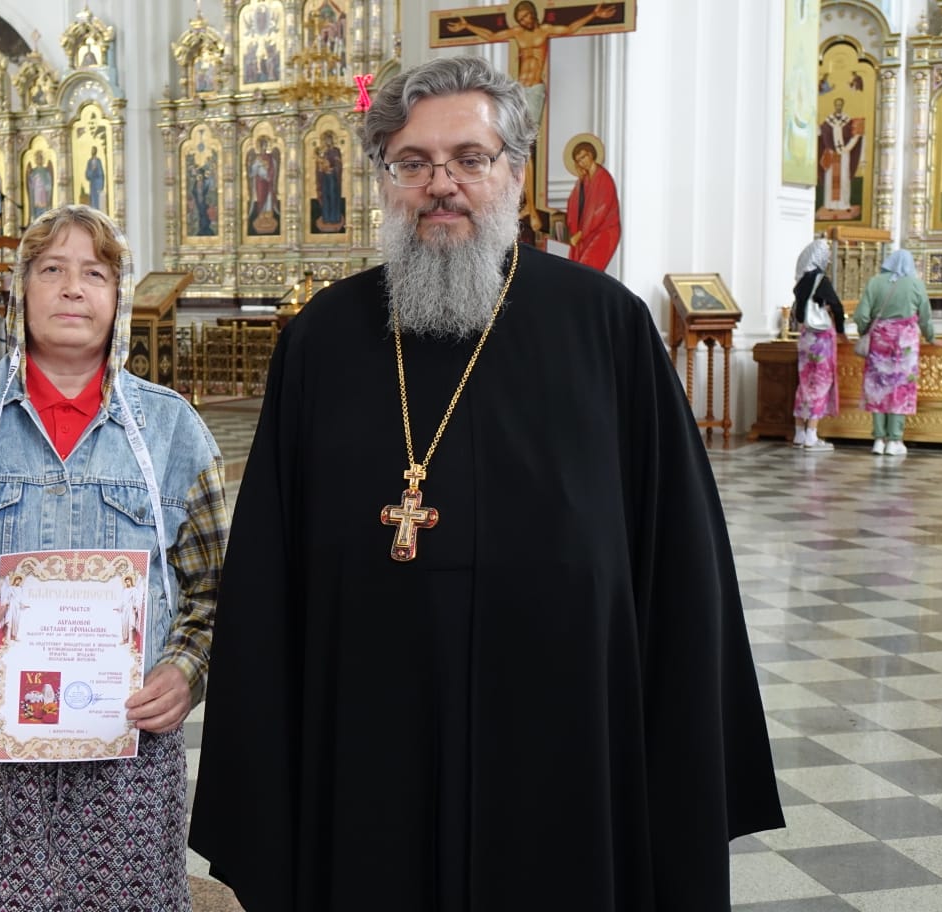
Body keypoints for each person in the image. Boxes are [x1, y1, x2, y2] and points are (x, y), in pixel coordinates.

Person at [188, 55, 783, 911]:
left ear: (516, 173)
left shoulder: (605, 328)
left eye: (470, 158)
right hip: (367, 745)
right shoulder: (321, 340)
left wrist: (682, 770)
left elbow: (681, 567)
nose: (442, 185)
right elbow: (266, 579)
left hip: (562, 745)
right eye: (414, 162)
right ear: (383, 178)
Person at [0, 204, 230, 911]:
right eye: (52, 269)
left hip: (125, 752)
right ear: (20, 290)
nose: (72, 288)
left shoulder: (172, 431)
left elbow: (219, 588)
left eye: (95, 273)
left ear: (118, 298)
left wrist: (187, 671)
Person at [447, 1, 616, 234]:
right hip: (518, 91)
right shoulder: (517, 33)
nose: (525, 20)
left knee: (526, 148)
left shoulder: (545, 31)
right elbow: (491, 34)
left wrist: (594, 13)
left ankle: (532, 208)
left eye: (527, 15)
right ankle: (525, 205)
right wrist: (466, 25)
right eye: (521, 17)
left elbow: (569, 28)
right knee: (513, 145)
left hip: (535, 89)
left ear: (534, 15)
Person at [853, 249, 942, 456]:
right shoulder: (916, 284)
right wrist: (931, 338)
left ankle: (878, 440)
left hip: (879, 340)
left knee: (878, 387)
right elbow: (925, 316)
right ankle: (894, 440)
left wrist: (865, 332)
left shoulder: (875, 282)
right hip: (905, 342)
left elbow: (861, 314)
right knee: (900, 387)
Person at [790, 239, 846, 450]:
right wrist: (840, 330)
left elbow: (799, 314)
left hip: (806, 337)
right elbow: (837, 306)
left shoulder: (800, 282)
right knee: (821, 383)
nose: (828, 259)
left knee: (804, 383)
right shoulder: (820, 279)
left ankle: (799, 433)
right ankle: (812, 434)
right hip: (821, 338)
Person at [564, 136, 620, 270]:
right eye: (578, 161)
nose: (582, 162)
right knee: (576, 269)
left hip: (603, 232)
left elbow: (600, 211)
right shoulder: (584, 180)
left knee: (586, 269)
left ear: (591, 154)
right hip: (585, 234)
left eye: (583, 157)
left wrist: (580, 234)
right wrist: (580, 181)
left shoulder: (604, 178)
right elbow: (572, 205)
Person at [818, 97, 862, 213]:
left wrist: (846, 148)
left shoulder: (847, 121)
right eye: (836, 104)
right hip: (831, 153)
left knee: (844, 178)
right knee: (830, 179)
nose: (838, 107)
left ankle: (844, 204)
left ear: (842, 105)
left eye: (840, 104)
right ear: (834, 105)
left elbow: (855, 135)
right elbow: (821, 134)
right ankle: (830, 204)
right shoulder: (828, 121)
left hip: (844, 154)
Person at [315, 130, 345, 230]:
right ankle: (326, 218)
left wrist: (333, 169)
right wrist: (321, 168)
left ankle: (334, 218)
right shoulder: (323, 152)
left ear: (332, 140)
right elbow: (319, 165)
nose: (327, 142)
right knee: (325, 196)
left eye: (329, 140)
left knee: (333, 196)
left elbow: (338, 165)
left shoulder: (336, 151)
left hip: (333, 178)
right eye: (326, 140)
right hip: (325, 178)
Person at [25, 150, 53, 221]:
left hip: (43, 194)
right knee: (37, 210)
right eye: (37, 158)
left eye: (40, 158)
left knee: (44, 210)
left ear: (43, 159)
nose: (39, 160)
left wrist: (45, 187)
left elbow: (49, 183)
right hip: (36, 195)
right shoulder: (33, 171)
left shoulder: (46, 171)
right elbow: (31, 185)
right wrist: (29, 175)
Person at [85, 145, 106, 211]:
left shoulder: (98, 161)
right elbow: (87, 175)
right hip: (92, 185)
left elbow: (101, 174)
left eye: (94, 150)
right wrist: (92, 170)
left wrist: (101, 186)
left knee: (98, 202)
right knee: (93, 201)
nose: (92, 151)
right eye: (92, 150)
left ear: (96, 151)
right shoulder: (89, 162)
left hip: (98, 184)